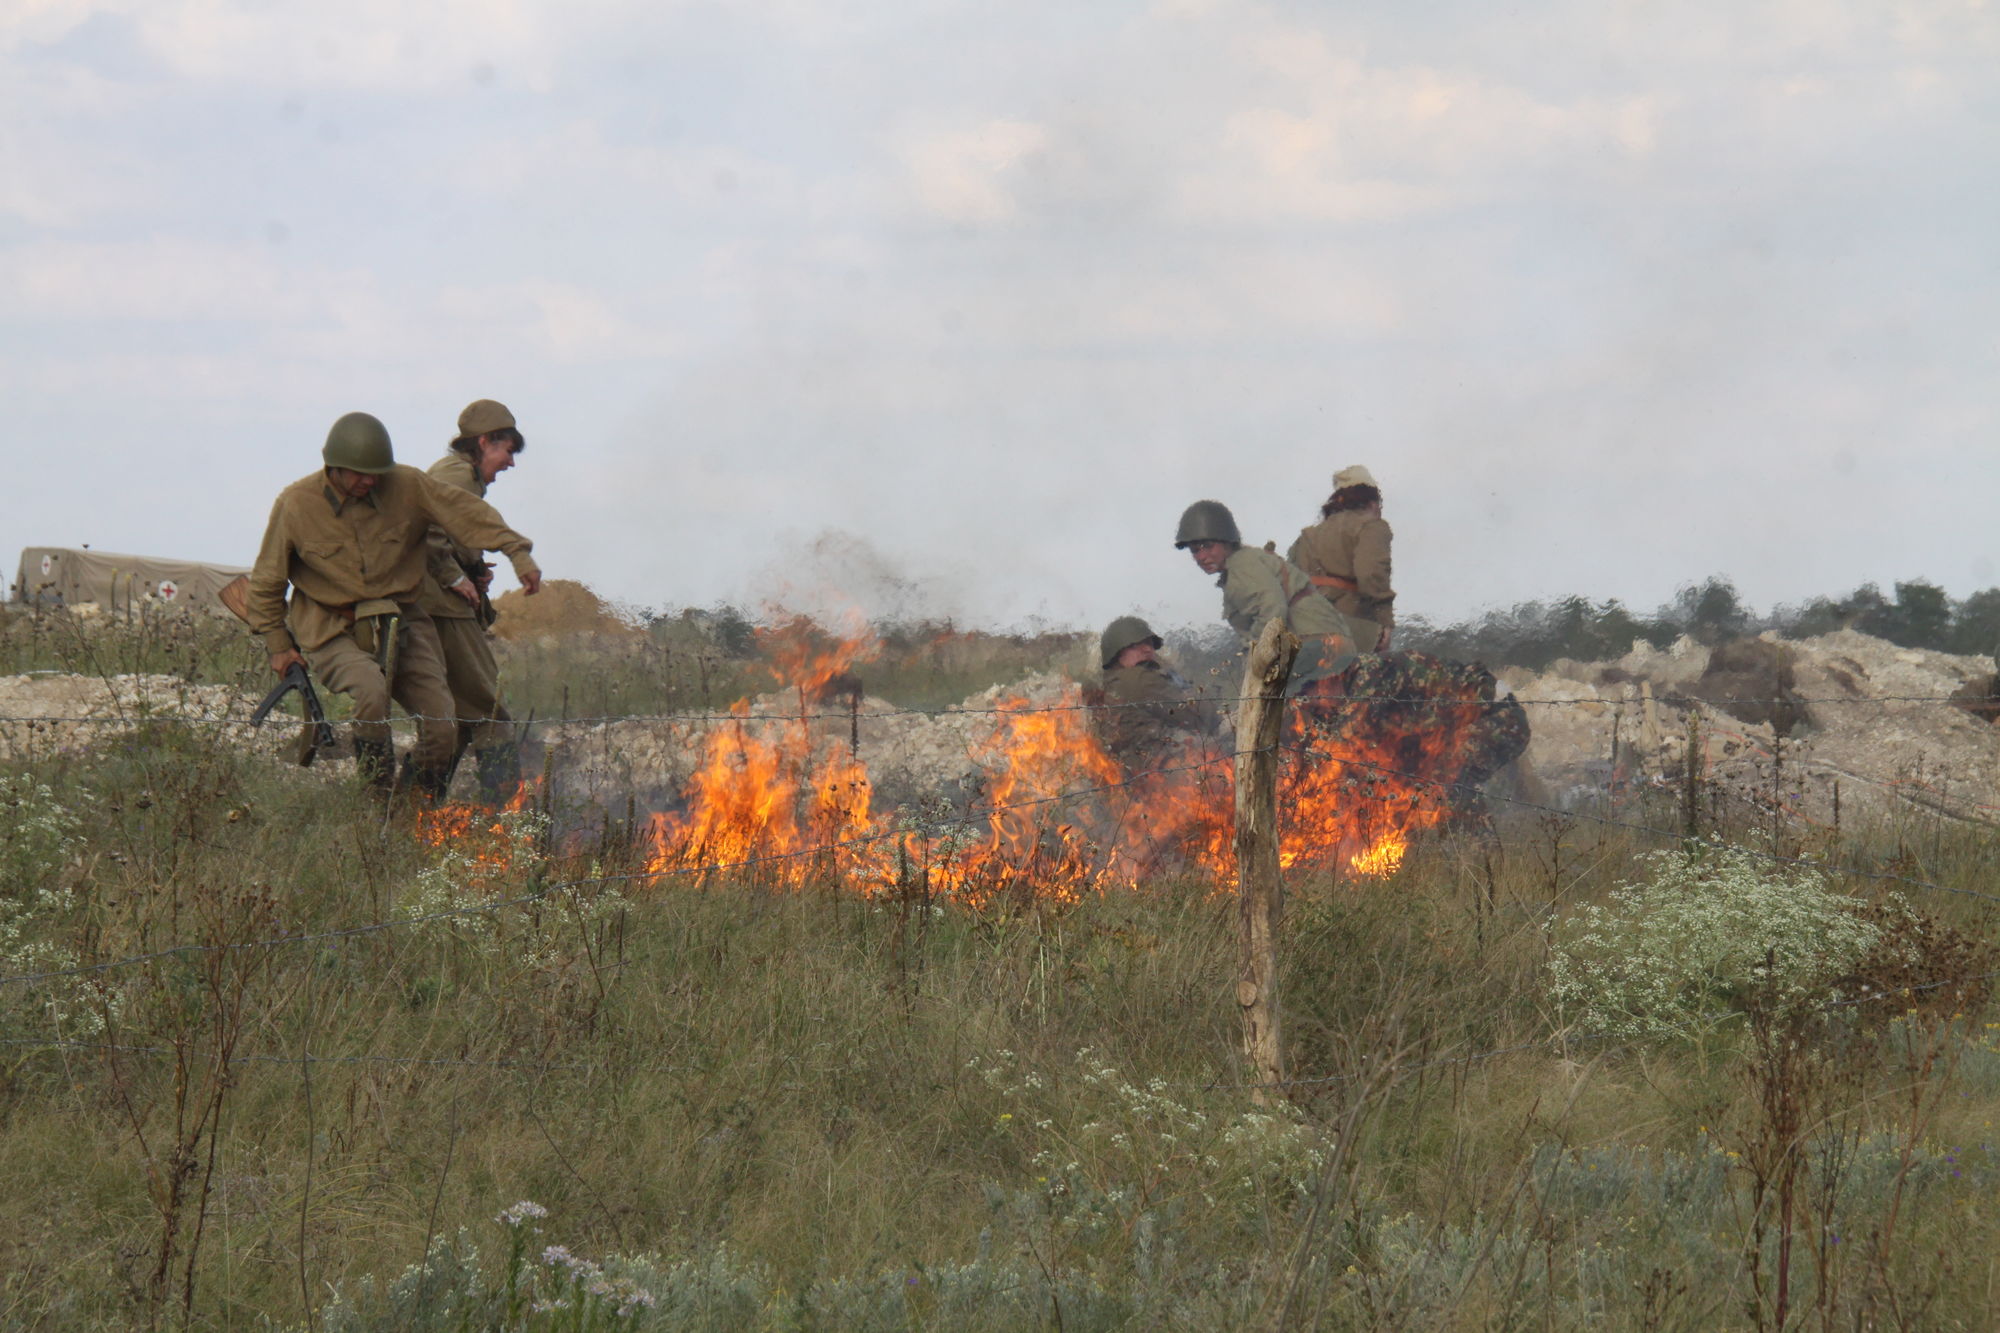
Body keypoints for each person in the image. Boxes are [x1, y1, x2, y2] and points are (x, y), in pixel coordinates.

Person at [245, 411, 543, 801]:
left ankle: (412, 810)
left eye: (377, 474)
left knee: (442, 723)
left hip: (403, 621)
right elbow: (267, 581)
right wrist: (279, 646)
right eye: (359, 474)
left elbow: (468, 514)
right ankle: (376, 803)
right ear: (334, 467)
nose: (370, 481)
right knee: (371, 695)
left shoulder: (408, 485)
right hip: (333, 627)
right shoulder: (296, 504)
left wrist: (517, 553)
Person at [420, 398, 530, 802]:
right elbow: (426, 530)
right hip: (442, 611)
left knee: (458, 720)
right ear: (485, 441)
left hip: (439, 607)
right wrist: (452, 577)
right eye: (507, 451)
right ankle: (505, 821)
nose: (510, 463)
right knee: (489, 712)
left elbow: (451, 535)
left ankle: (413, 813)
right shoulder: (456, 476)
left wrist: (472, 569)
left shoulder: (459, 475)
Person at [1172, 499, 1376, 691]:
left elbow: (1272, 609)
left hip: (1316, 645)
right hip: (1327, 643)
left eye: (1208, 546)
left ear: (1227, 542)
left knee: (1274, 705)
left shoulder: (1241, 566)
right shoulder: (1244, 564)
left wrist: (1257, 661)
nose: (1202, 556)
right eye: (1195, 550)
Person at [1287, 464, 1394, 652]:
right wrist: (1385, 620)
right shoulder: (1372, 526)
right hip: (1349, 627)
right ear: (1372, 501)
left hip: (1303, 629)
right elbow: (1371, 574)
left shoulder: (1307, 537)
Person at [1093, 615, 1206, 769]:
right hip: (1159, 763)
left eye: (1149, 643)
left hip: (1137, 763)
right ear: (1117, 652)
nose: (1147, 649)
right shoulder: (1136, 678)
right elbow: (1194, 715)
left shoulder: (1114, 679)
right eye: (1135, 645)